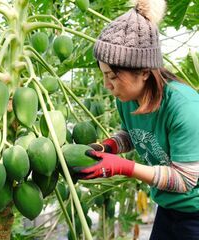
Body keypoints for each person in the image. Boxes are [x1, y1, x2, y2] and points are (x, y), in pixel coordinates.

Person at [75, 0, 199, 239]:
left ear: (144, 72)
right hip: (168, 206)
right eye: (104, 75)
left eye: (112, 76)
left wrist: (124, 167)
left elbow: (185, 180)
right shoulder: (126, 98)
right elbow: (133, 134)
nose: (106, 85)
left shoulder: (185, 108)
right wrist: (110, 145)